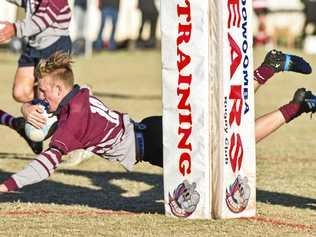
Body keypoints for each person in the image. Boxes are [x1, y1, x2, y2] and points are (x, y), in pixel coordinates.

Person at [0, 50, 314, 192]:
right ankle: (269, 71)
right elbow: (47, 109)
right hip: (150, 131)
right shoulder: (78, 95)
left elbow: (45, 165)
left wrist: (9, 185)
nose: (40, 95)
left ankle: (296, 107)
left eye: (42, 90)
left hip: (156, 143)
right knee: (224, 116)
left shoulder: (73, 121)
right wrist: (29, 110)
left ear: (57, 87)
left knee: (233, 144)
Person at [0, 0, 72, 154]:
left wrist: (14, 28)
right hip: (34, 45)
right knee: (20, 93)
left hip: (55, 44)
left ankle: (72, 104)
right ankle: (64, 98)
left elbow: (42, 20)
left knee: (46, 97)